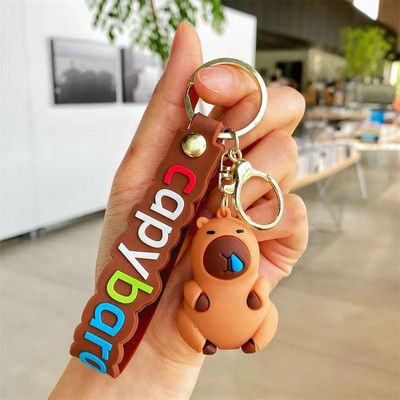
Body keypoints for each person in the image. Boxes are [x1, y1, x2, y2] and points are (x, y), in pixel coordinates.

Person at [50, 22, 308, 399]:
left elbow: (236, 291)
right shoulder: (180, 242)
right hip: (151, 319)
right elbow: (193, 294)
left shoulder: (230, 258)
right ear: (202, 225)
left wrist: (158, 359)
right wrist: (149, 359)